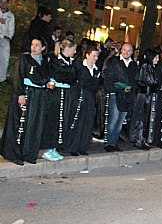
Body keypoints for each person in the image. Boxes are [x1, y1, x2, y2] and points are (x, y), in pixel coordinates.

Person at [1, 37, 52, 165]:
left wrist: (47, 85)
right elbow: (18, 76)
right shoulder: (24, 59)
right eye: (32, 44)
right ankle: (15, 153)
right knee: (21, 124)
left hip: (39, 96)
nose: (34, 48)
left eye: (37, 45)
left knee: (35, 125)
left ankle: (29, 153)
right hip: (27, 93)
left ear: (43, 48)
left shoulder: (45, 62)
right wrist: (20, 93)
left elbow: (44, 78)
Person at [41, 39, 77, 161]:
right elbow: (58, 75)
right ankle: (48, 148)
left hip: (66, 92)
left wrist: (68, 76)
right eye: (73, 49)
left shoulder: (70, 62)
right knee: (54, 120)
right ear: (67, 48)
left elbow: (74, 76)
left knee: (63, 120)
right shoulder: (55, 60)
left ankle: (55, 147)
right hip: (56, 93)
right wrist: (67, 76)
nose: (75, 51)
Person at [64, 47, 101, 155]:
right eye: (93, 56)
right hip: (79, 96)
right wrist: (92, 81)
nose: (95, 58)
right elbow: (82, 82)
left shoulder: (96, 69)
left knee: (87, 122)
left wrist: (92, 82)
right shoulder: (80, 67)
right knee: (77, 121)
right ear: (87, 55)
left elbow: (95, 85)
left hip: (90, 97)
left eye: (97, 56)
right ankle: (72, 147)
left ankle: (82, 147)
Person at [103, 42, 137, 152]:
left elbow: (135, 80)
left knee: (121, 120)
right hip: (116, 94)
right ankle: (108, 143)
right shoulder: (114, 62)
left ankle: (114, 142)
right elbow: (108, 77)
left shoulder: (133, 65)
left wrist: (131, 89)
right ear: (120, 50)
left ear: (132, 52)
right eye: (124, 50)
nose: (126, 52)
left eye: (129, 50)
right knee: (113, 119)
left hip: (127, 96)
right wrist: (114, 89)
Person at [129, 49, 159, 150]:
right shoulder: (146, 67)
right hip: (144, 96)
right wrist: (157, 85)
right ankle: (139, 139)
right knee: (141, 118)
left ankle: (143, 139)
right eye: (156, 57)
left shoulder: (150, 67)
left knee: (145, 118)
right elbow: (151, 81)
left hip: (147, 95)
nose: (158, 59)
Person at [0, 0, 16, 84]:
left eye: (5, 2)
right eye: (1, 2)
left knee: (4, 59)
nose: (3, 4)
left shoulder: (11, 15)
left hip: (5, 39)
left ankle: (2, 78)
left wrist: (9, 37)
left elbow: (12, 27)